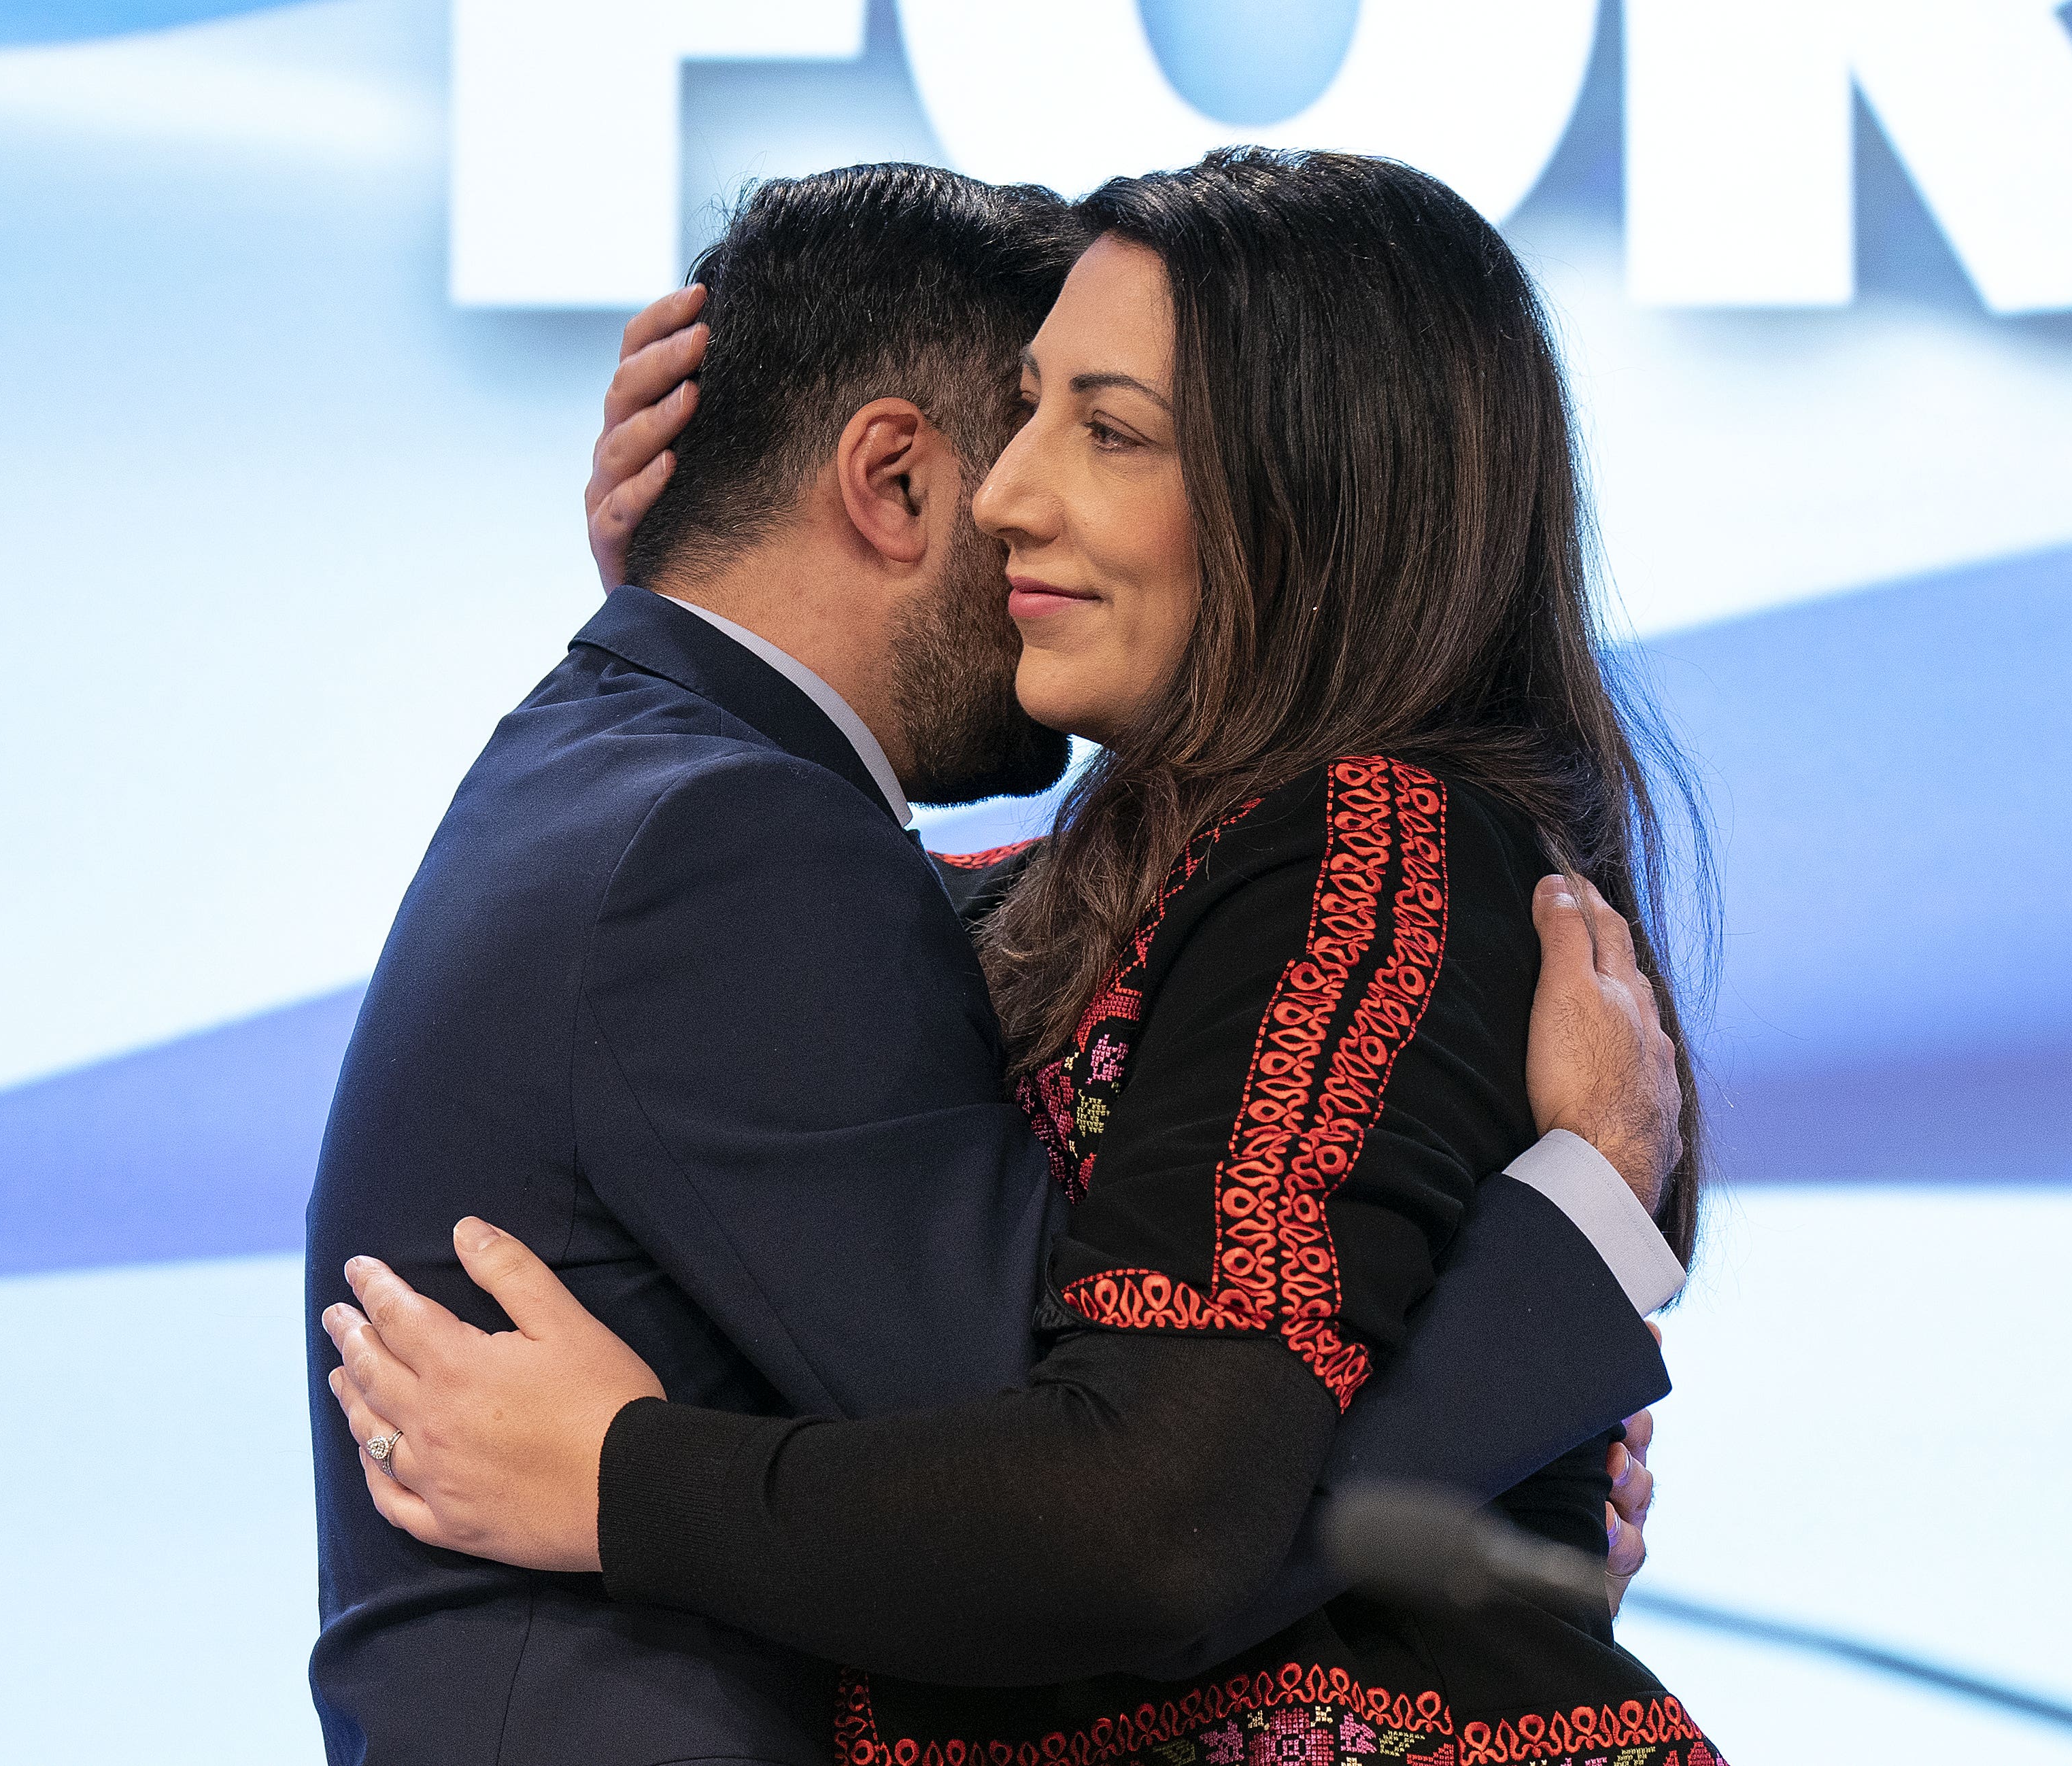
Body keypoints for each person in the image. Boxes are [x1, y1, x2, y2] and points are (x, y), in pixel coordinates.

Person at [323, 151, 1715, 1765]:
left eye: (1106, 430)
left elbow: (1139, 1524)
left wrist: (622, 1480)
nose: (1005, 496)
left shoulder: (1363, 835)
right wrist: (711, 605)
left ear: (1318, 492)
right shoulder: (903, 866)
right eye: (1028, 411)